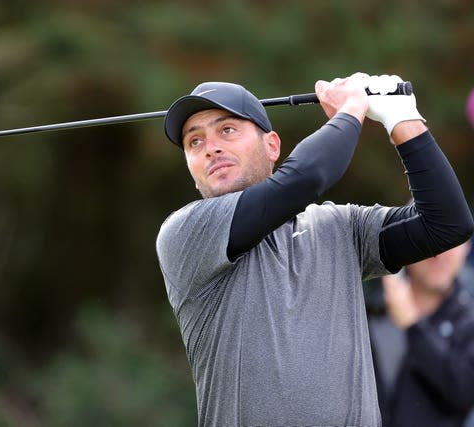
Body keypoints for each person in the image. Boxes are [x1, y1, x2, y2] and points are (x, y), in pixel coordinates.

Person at [155, 73, 474, 427]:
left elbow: (446, 224)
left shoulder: (340, 227)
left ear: (272, 146)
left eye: (227, 130)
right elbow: (304, 178)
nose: (210, 147)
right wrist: (352, 108)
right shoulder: (184, 233)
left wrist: (401, 119)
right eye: (194, 141)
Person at [369, 241, 474, 427]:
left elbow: (464, 389)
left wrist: (413, 326)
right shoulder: (370, 312)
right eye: (431, 238)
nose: (439, 254)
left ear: (466, 247)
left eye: (452, 242)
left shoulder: (468, 319)